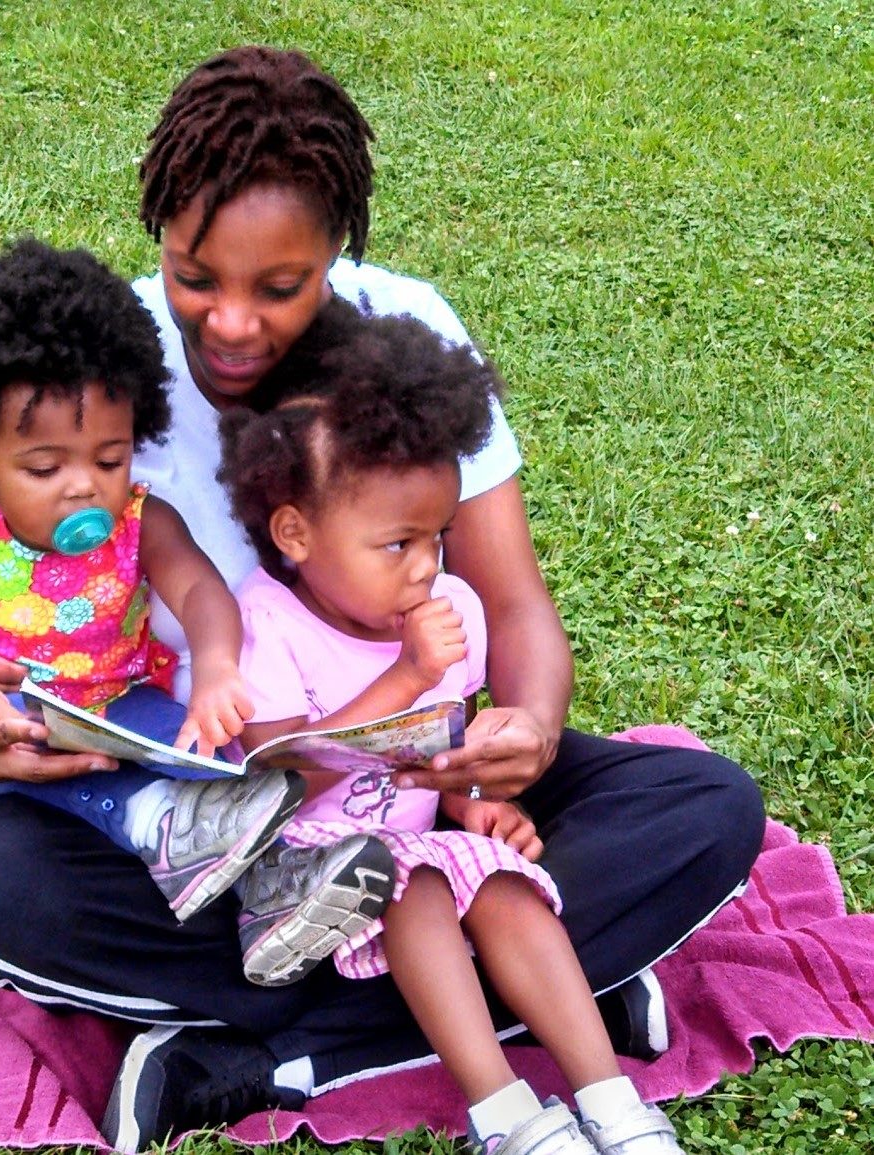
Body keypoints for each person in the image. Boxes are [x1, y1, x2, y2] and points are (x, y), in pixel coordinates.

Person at [0, 44, 765, 1154]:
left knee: (706, 808)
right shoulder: (92, 366)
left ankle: (259, 1055)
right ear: (159, 233)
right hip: (193, 797)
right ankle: (539, 1002)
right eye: (197, 275)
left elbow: (516, 603)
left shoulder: (408, 340)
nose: (231, 321)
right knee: (7, 890)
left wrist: (526, 729)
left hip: (398, 783)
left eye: (278, 287)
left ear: (337, 253)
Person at [219, 305, 689, 1153]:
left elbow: (444, 742)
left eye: (436, 536)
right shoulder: (266, 624)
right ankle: (503, 1111)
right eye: (395, 543)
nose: (427, 565)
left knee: (502, 879)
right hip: (305, 879)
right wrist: (404, 674)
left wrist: (472, 799)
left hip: (411, 844)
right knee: (419, 885)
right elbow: (277, 780)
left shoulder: (452, 610)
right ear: (294, 531)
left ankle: (612, 1100)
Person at [0, 235, 394, 964]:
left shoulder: (140, 523)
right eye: (44, 466)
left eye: (108, 458)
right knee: (56, 746)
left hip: (109, 703)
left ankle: (274, 886)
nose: (84, 484)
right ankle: (152, 819)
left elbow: (201, 591)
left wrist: (214, 670)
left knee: (223, 765)